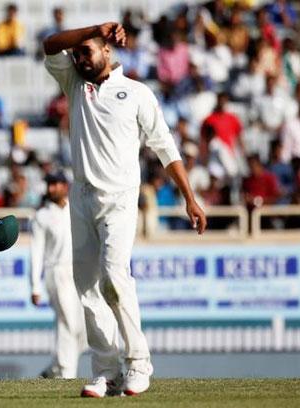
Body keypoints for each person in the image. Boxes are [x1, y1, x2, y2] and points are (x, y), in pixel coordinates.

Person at [43, 22, 206, 397]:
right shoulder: (73, 82)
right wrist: (93, 29)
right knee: (86, 288)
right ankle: (106, 370)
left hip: (119, 199)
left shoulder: (136, 93)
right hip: (81, 197)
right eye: (78, 53)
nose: (81, 58)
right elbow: (51, 44)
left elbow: (165, 148)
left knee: (114, 278)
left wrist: (190, 198)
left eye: (88, 51)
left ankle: (138, 363)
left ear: (108, 52)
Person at [30, 172, 86, 379]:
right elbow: (36, 253)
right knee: (68, 323)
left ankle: (54, 369)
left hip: (79, 271)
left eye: (56, 184)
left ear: (65, 185)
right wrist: (35, 286)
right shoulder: (42, 216)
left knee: (84, 330)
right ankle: (65, 373)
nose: (52, 188)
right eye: (49, 184)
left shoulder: (77, 208)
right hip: (56, 272)